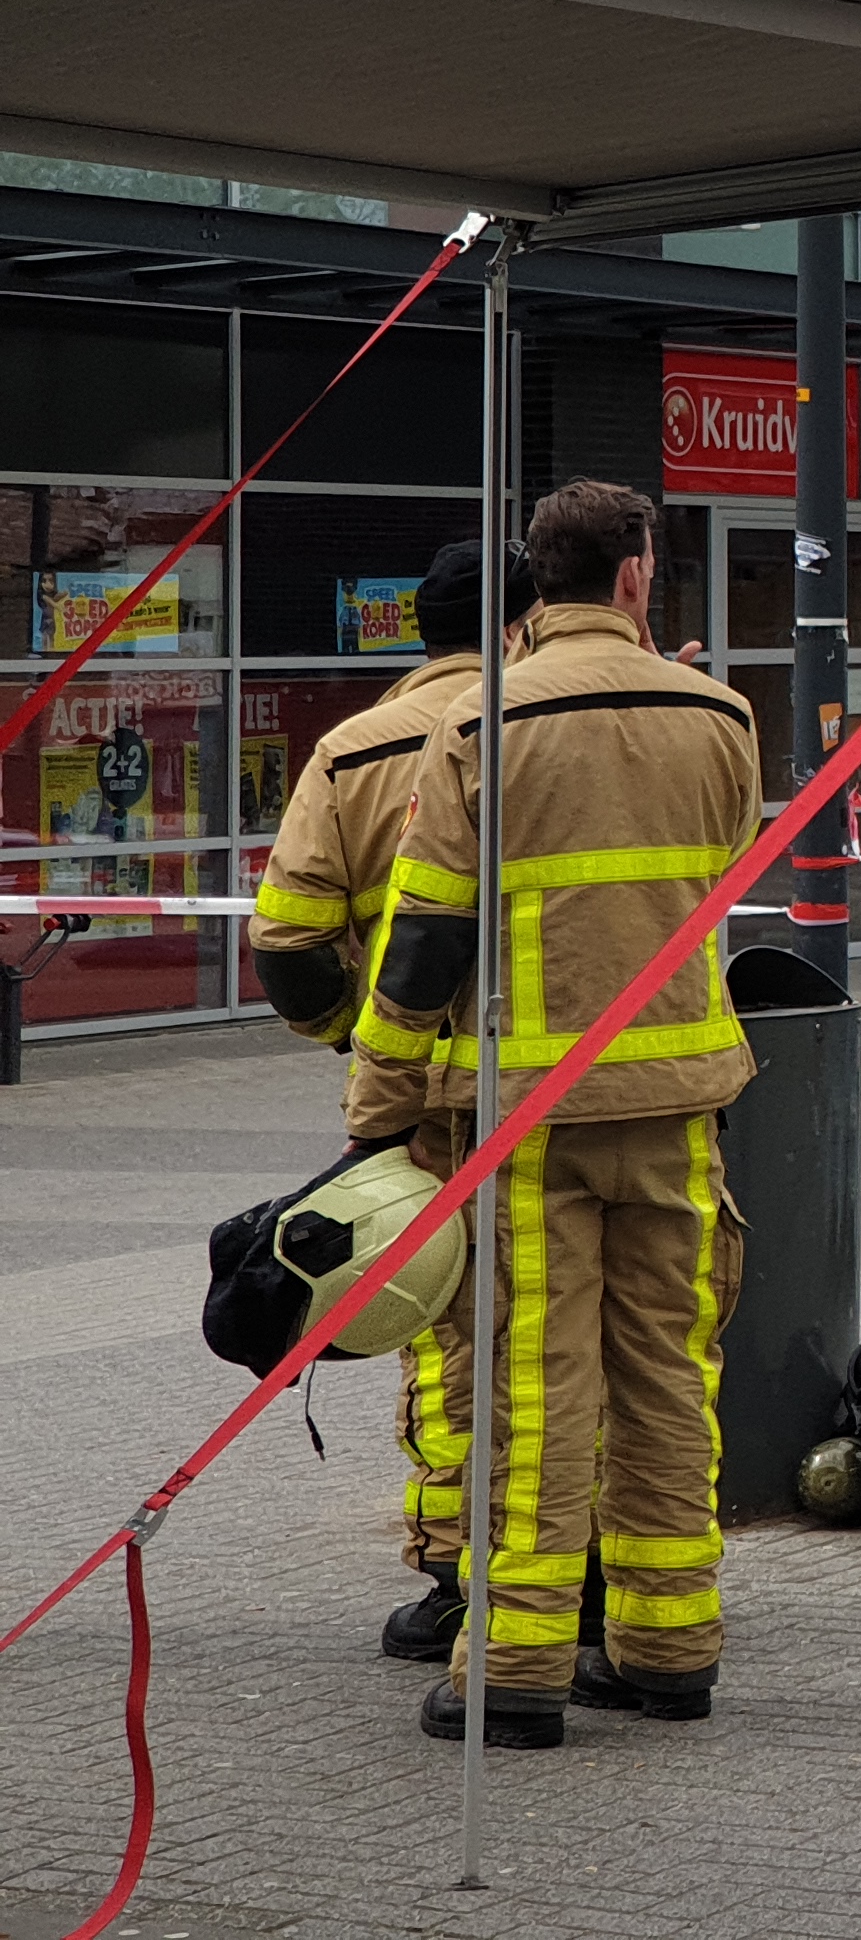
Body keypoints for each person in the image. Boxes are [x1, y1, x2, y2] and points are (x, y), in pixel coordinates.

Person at [355, 481, 760, 1749]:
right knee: (671, 1378)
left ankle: (520, 1669)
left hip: (529, 1115)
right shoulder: (723, 714)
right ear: (638, 577)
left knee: (535, 1388)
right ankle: (669, 1648)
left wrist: (381, 1110)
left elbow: (423, 939)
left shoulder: (482, 724)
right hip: (683, 1106)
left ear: (540, 580)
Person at [248, 534, 537, 1664]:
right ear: (521, 625)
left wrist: (366, 1047)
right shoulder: (539, 725)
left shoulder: (350, 751)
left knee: (445, 1336)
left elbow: (287, 942)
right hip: (575, 1085)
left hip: (420, 1104)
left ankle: (455, 1574)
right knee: (568, 1340)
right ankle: (567, 1572)